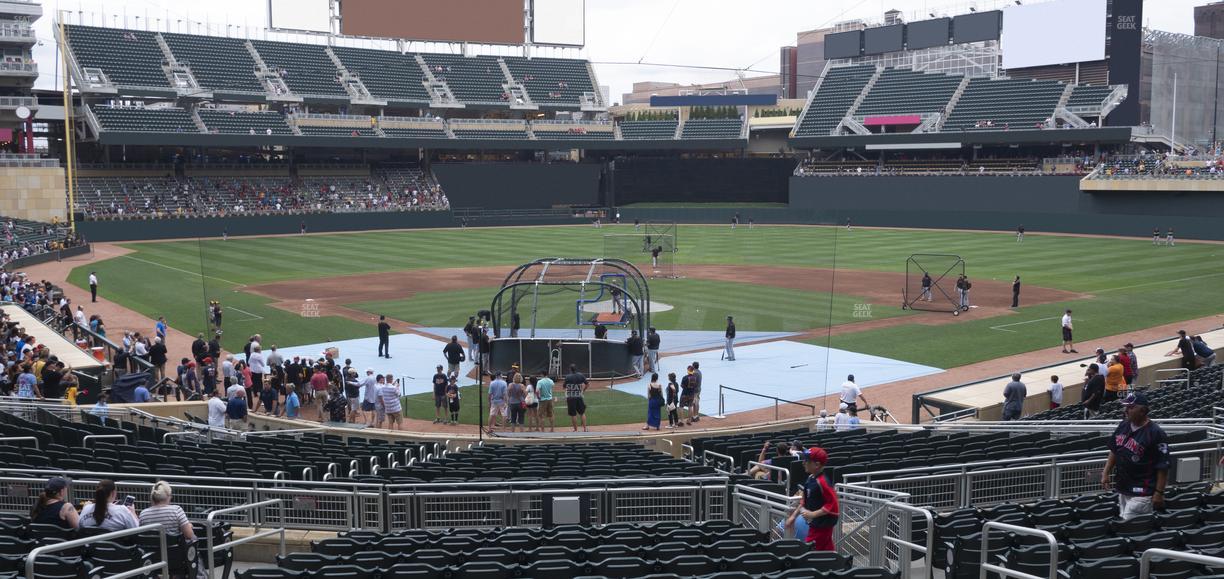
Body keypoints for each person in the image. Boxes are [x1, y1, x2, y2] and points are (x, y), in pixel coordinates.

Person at [1102, 393, 1170, 520]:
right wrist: (1106, 472)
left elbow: (1163, 466)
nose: (1126, 410)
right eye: (1126, 407)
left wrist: (1159, 493)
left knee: (1128, 527)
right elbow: (1114, 449)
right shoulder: (1123, 425)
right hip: (1123, 487)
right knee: (1125, 521)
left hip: (1143, 492)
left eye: (1131, 407)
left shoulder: (1156, 433)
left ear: (1142, 410)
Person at [793, 447, 839, 551]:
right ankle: (834, 564)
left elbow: (833, 504)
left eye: (806, 461)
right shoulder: (810, 478)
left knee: (810, 549)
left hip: (822, 523)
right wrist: (794, 516)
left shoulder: (822, 482)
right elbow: (804, 499)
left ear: (817, 465)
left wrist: (813, 514)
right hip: (816, 522)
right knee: (826, 548)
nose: (803, 463)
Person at [564, 365, 589, 432]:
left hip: (571, 397)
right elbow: (587, 384)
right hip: (579, 396)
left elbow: (564, 387)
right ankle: (585, 429)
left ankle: (575, 430)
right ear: (576, 369)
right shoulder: (581, 375)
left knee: (573, 414)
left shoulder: (567, 377)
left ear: (570, 369)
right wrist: (583, 391)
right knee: (582, 413)